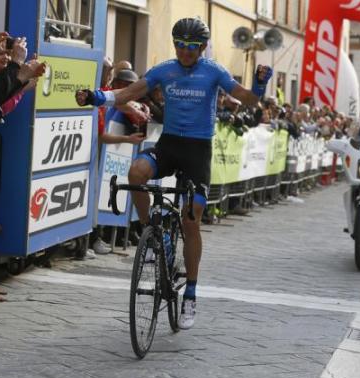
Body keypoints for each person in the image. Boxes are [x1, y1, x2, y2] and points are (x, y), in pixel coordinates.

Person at [76, 17, 272, 329]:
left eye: (191, 47)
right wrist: (99, 97)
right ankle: (151, 236)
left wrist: (260, 85)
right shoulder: (164, 70)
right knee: (137, 172)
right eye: (179, 45)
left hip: (197, 150)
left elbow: (247, 99)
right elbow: (129, 92)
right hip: (169, 144)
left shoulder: (214, 71)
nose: (184, 52)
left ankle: (191, 293)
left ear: (202, 47)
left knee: (190, 218)